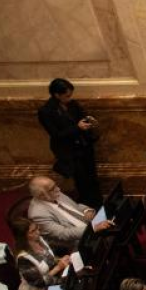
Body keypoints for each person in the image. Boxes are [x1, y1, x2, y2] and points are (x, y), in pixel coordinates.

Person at [37, 77, 102, 207]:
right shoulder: (46, 111)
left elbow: (80, 117)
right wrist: (77, 128)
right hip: (70, 152)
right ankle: (89, 208)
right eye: (67, 96)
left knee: (92, 178)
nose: (70, 98)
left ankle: (99, 205)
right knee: (82, 181)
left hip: (84, 147)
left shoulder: (73, 104)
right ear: (57, 95)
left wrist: (88, 121)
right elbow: (56, 135)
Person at [26, 175, 111, 254]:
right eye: (53, 188)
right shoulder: (37, 214)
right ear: (41, 196)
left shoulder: (53, 193)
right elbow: (63, 234)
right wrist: (92, 228)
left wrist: (86, 210)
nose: (58, 189)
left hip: (90, 225)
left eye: (55, 185)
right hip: (77, 242)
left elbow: (75, 206)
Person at [12, 217, 68, 290]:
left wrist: (61, 260)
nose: (38, 232)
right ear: (24, 236)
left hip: (53, 283)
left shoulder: (40, 240)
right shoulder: (23, 258)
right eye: (32, 231)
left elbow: (50, 259)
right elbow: (39, 283)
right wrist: (58, 267)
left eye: (37, 228)